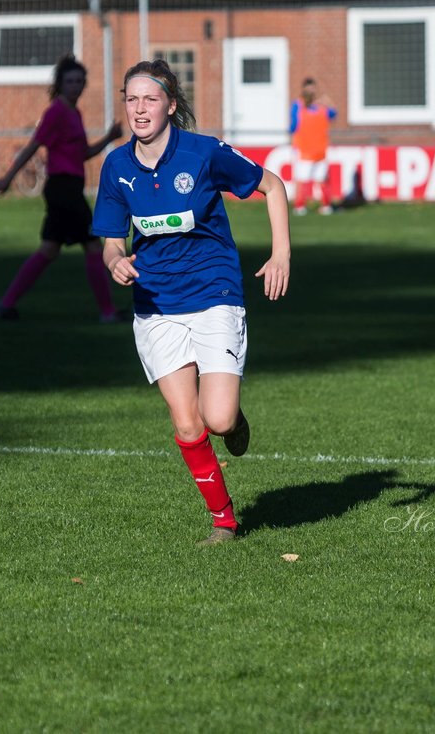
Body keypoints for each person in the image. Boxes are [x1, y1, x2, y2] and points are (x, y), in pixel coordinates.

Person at [93, 59, 291, 546]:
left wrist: (281, 252)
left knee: (218, 418)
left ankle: (235, 419)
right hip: (156, 301)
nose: (139, 109)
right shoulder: (117, 166)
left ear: (170, 105)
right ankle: (224, 522)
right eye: (131, 100)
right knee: (187, 423)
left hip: (213, 292)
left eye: (150, 99)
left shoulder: (203, 154)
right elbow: (111, 240)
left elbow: (273, 186)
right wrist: (115, 260)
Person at [0, 54, 126, 322]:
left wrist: (109, 138)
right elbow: (33, 146)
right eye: (70, 81)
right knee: (93, 246)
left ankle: (5, 304)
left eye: (79, 81)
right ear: (60, 84)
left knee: (49, 250)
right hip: (63, 188)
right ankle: (108, 312)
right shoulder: (56, 112)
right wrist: (7, 178)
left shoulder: (75, 113)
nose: (75, 85)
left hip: (69, 187)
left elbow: (83, 153)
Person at [289, 77, 337, 216]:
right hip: (304, 149)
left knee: (321, 179)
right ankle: (300, 205)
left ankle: (325, 205)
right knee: (303, 179)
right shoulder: (298, 106)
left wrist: (327, 101)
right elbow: (293, 127)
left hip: (319, 150)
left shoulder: (320, 107)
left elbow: (333, 113)